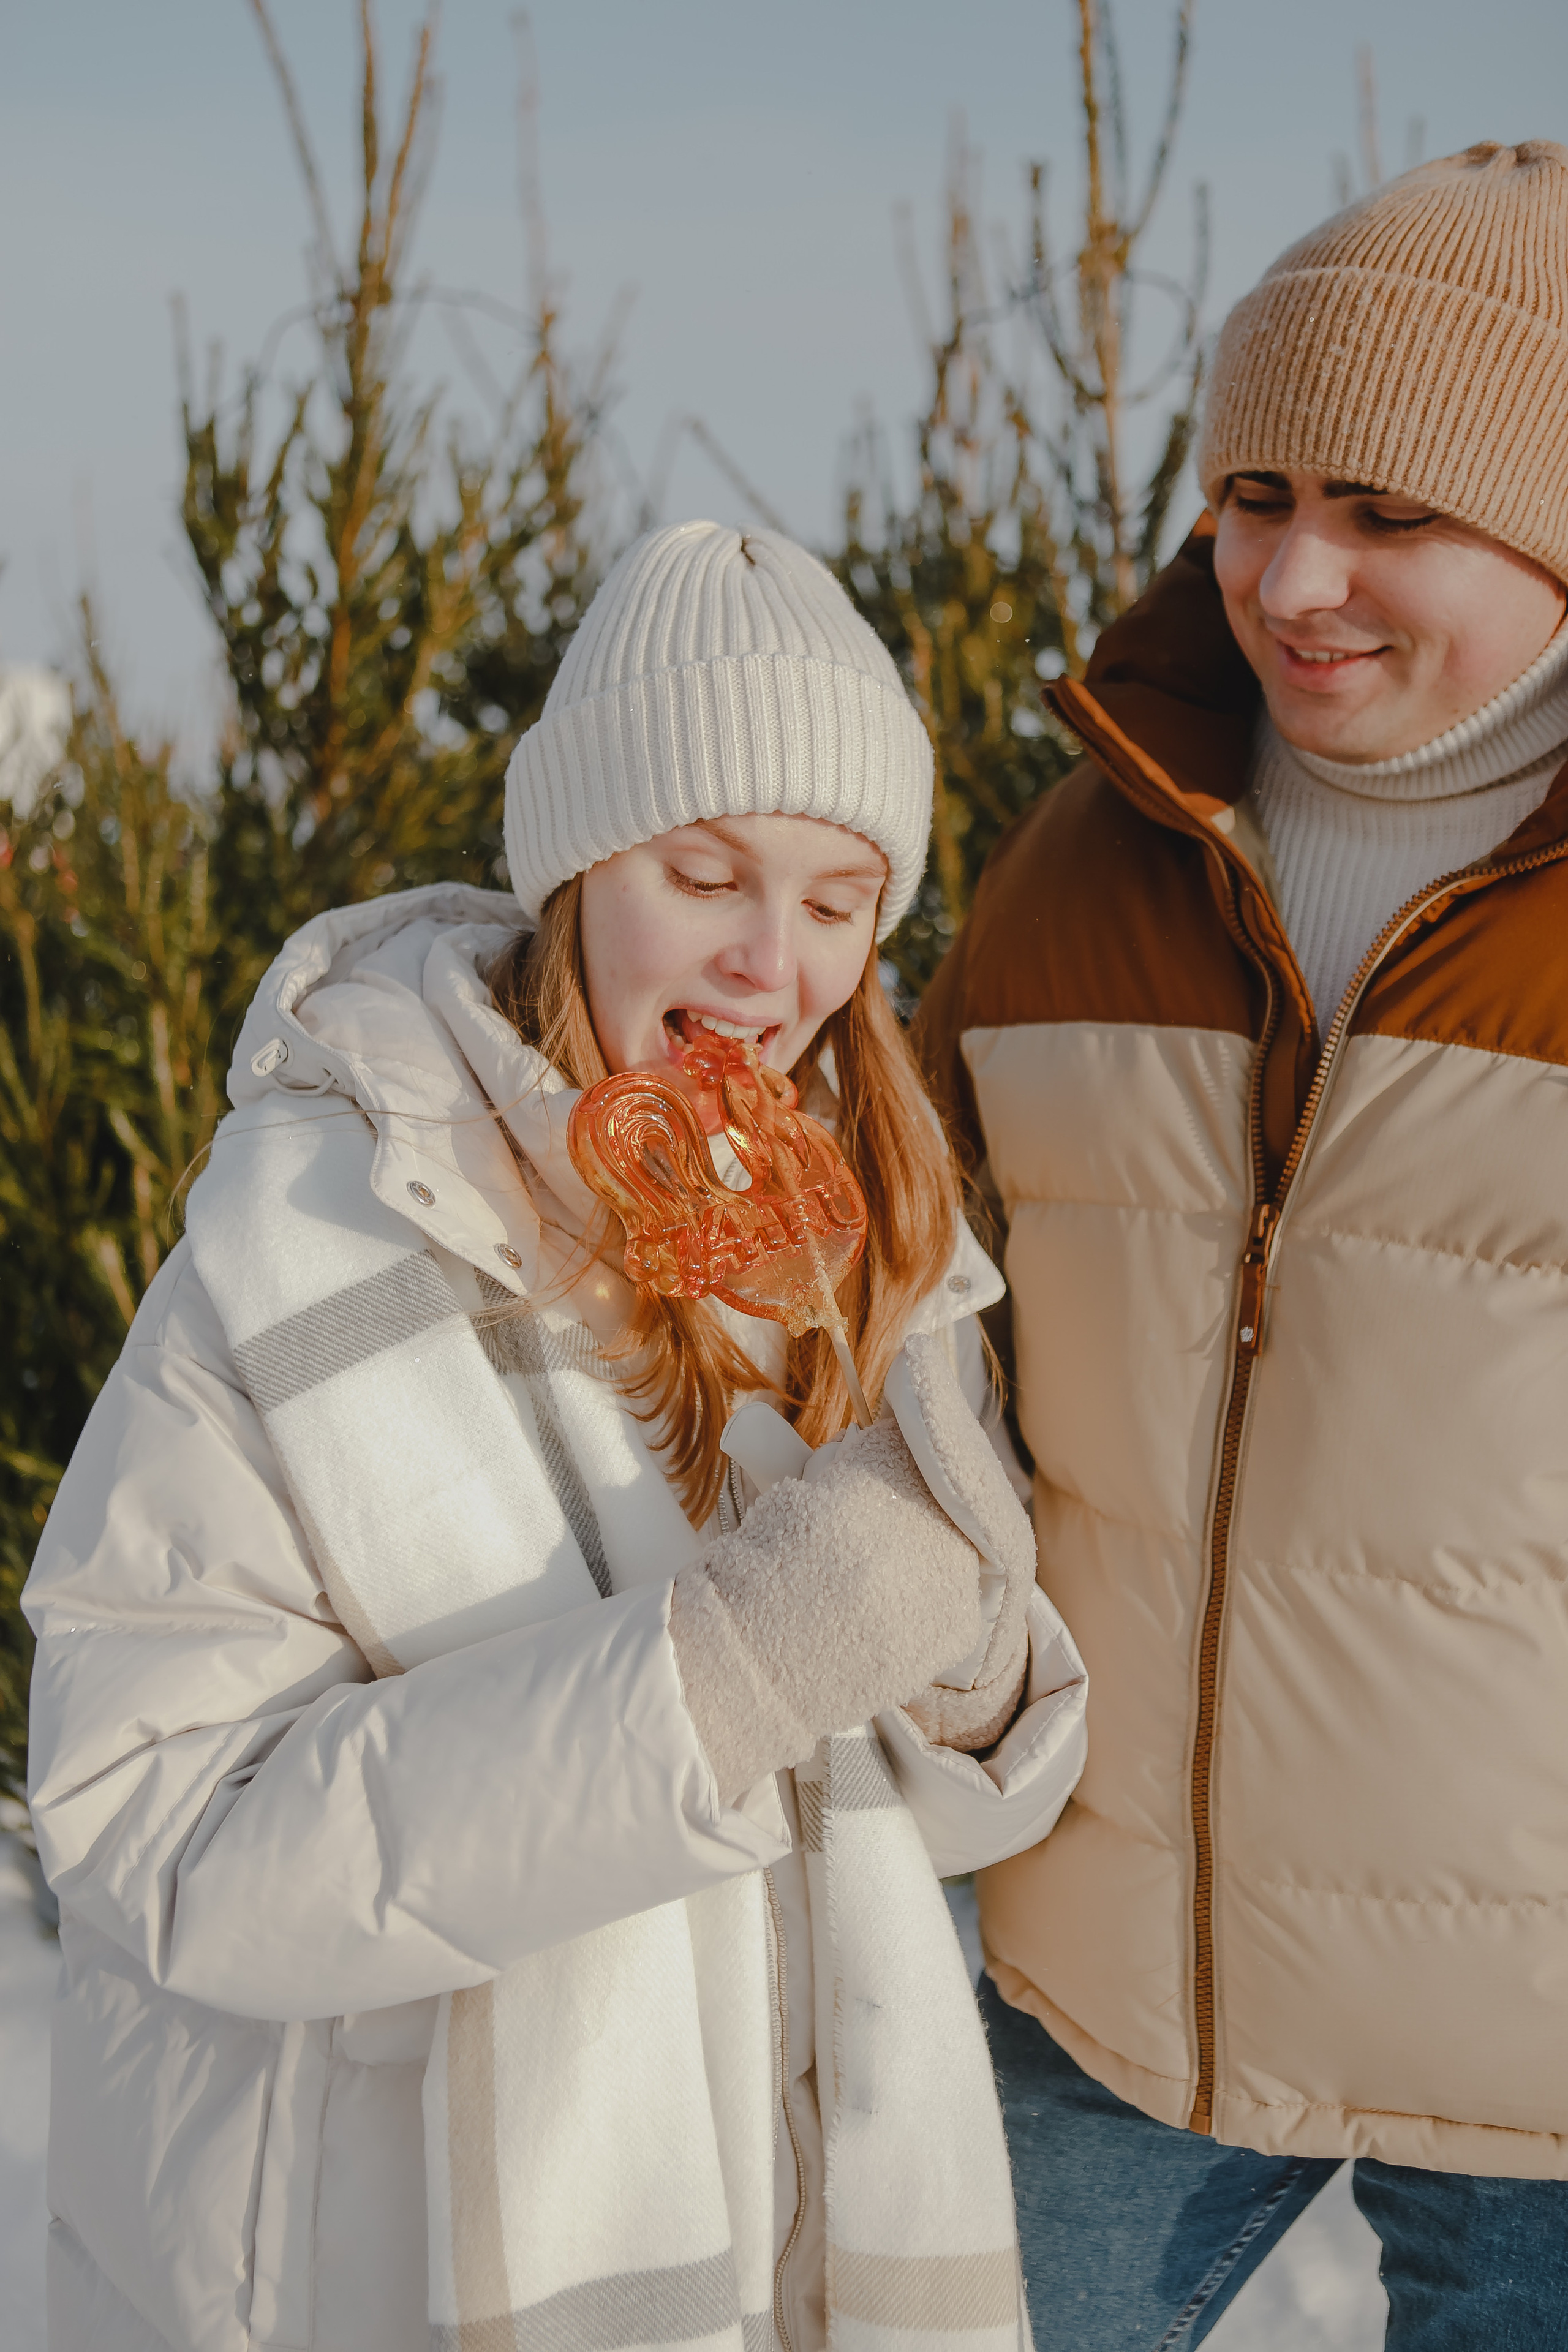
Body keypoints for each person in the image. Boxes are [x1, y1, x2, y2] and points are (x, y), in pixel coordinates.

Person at [23, 522, 1087, 2352]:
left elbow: (942, 1807)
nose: (771, 964)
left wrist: (982, 1666)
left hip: (800, 2246)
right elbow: (157, 1835)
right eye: (706, 873)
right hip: (386, 2251)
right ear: (582, 864)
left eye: (840, 902)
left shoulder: (873, 1236)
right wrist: (727, 1669)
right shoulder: (317, 1228)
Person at [916, 141, 1568, 2347]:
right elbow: (900, 1282)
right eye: (1259, 492)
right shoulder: (1090, 857)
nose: (1295, 577)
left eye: (1395, 515)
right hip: (1113, 1963)